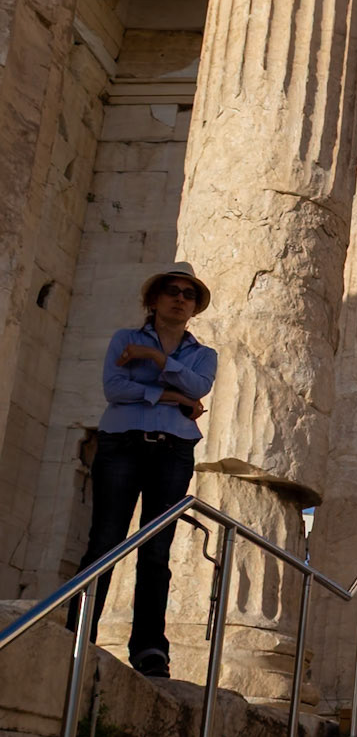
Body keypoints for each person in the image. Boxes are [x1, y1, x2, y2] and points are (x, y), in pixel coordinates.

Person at [69, 262, 217, 678]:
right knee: (104, 541)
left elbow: (199, 388)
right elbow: (114, 390)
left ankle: (150, 648)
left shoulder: (204, 355)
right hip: (122, 444)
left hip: (173, 452)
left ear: (194, 307)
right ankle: (76, 632)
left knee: (156, 552)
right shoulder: (123, 338)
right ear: (153, 300)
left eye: (188, 294)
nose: (180, 298)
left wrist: (153, 359)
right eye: (171, 290)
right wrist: (171, 395)